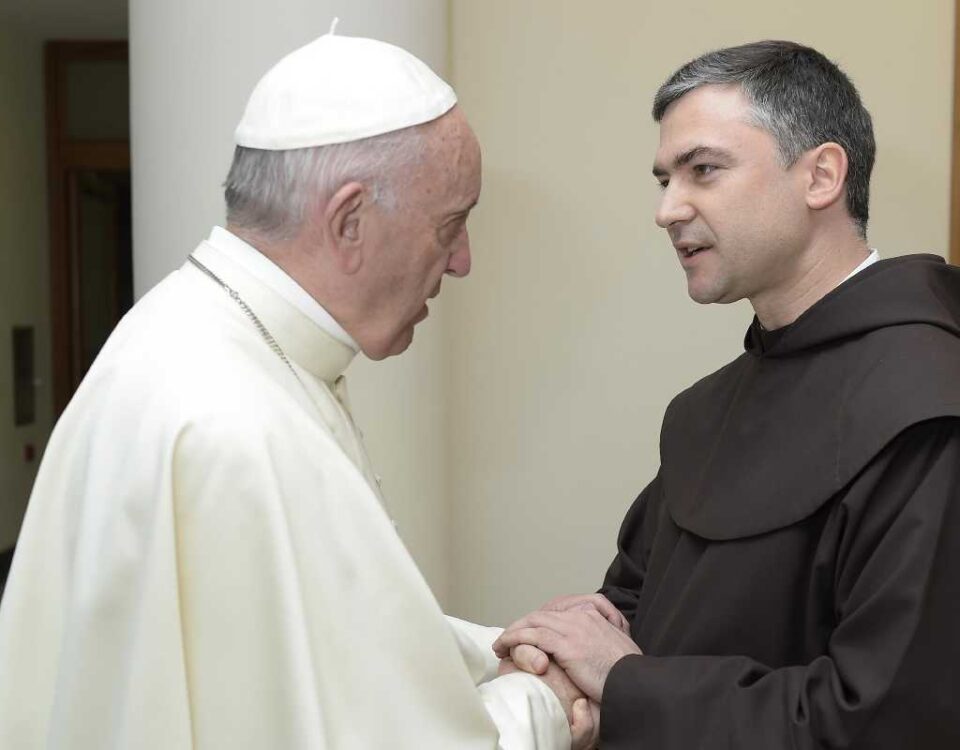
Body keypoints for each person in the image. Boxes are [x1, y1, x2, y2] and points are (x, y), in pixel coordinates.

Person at [0, 28, 595, 749]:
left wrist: (505, 648)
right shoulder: (238, 424)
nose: (461, 260)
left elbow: (332, 636)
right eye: (450, 226)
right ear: (349, 221)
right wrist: (546, 701)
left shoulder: (182, 336)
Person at [494, 40, 960, 748]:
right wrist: (560, 657)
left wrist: (624, 687)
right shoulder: (702, 411)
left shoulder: (928, 403)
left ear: (821, 176)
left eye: (703, 170)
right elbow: (629, 612)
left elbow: (889, 719)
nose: (667, 210)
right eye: (664, 180)